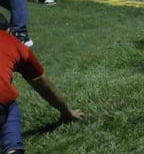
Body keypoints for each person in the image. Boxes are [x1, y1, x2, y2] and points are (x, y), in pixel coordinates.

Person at [0, 13, 83, 154]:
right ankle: (12, 147)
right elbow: (46, 89)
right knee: (9, 103)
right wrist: (67, 112)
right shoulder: (13, 43)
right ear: (8, 31)